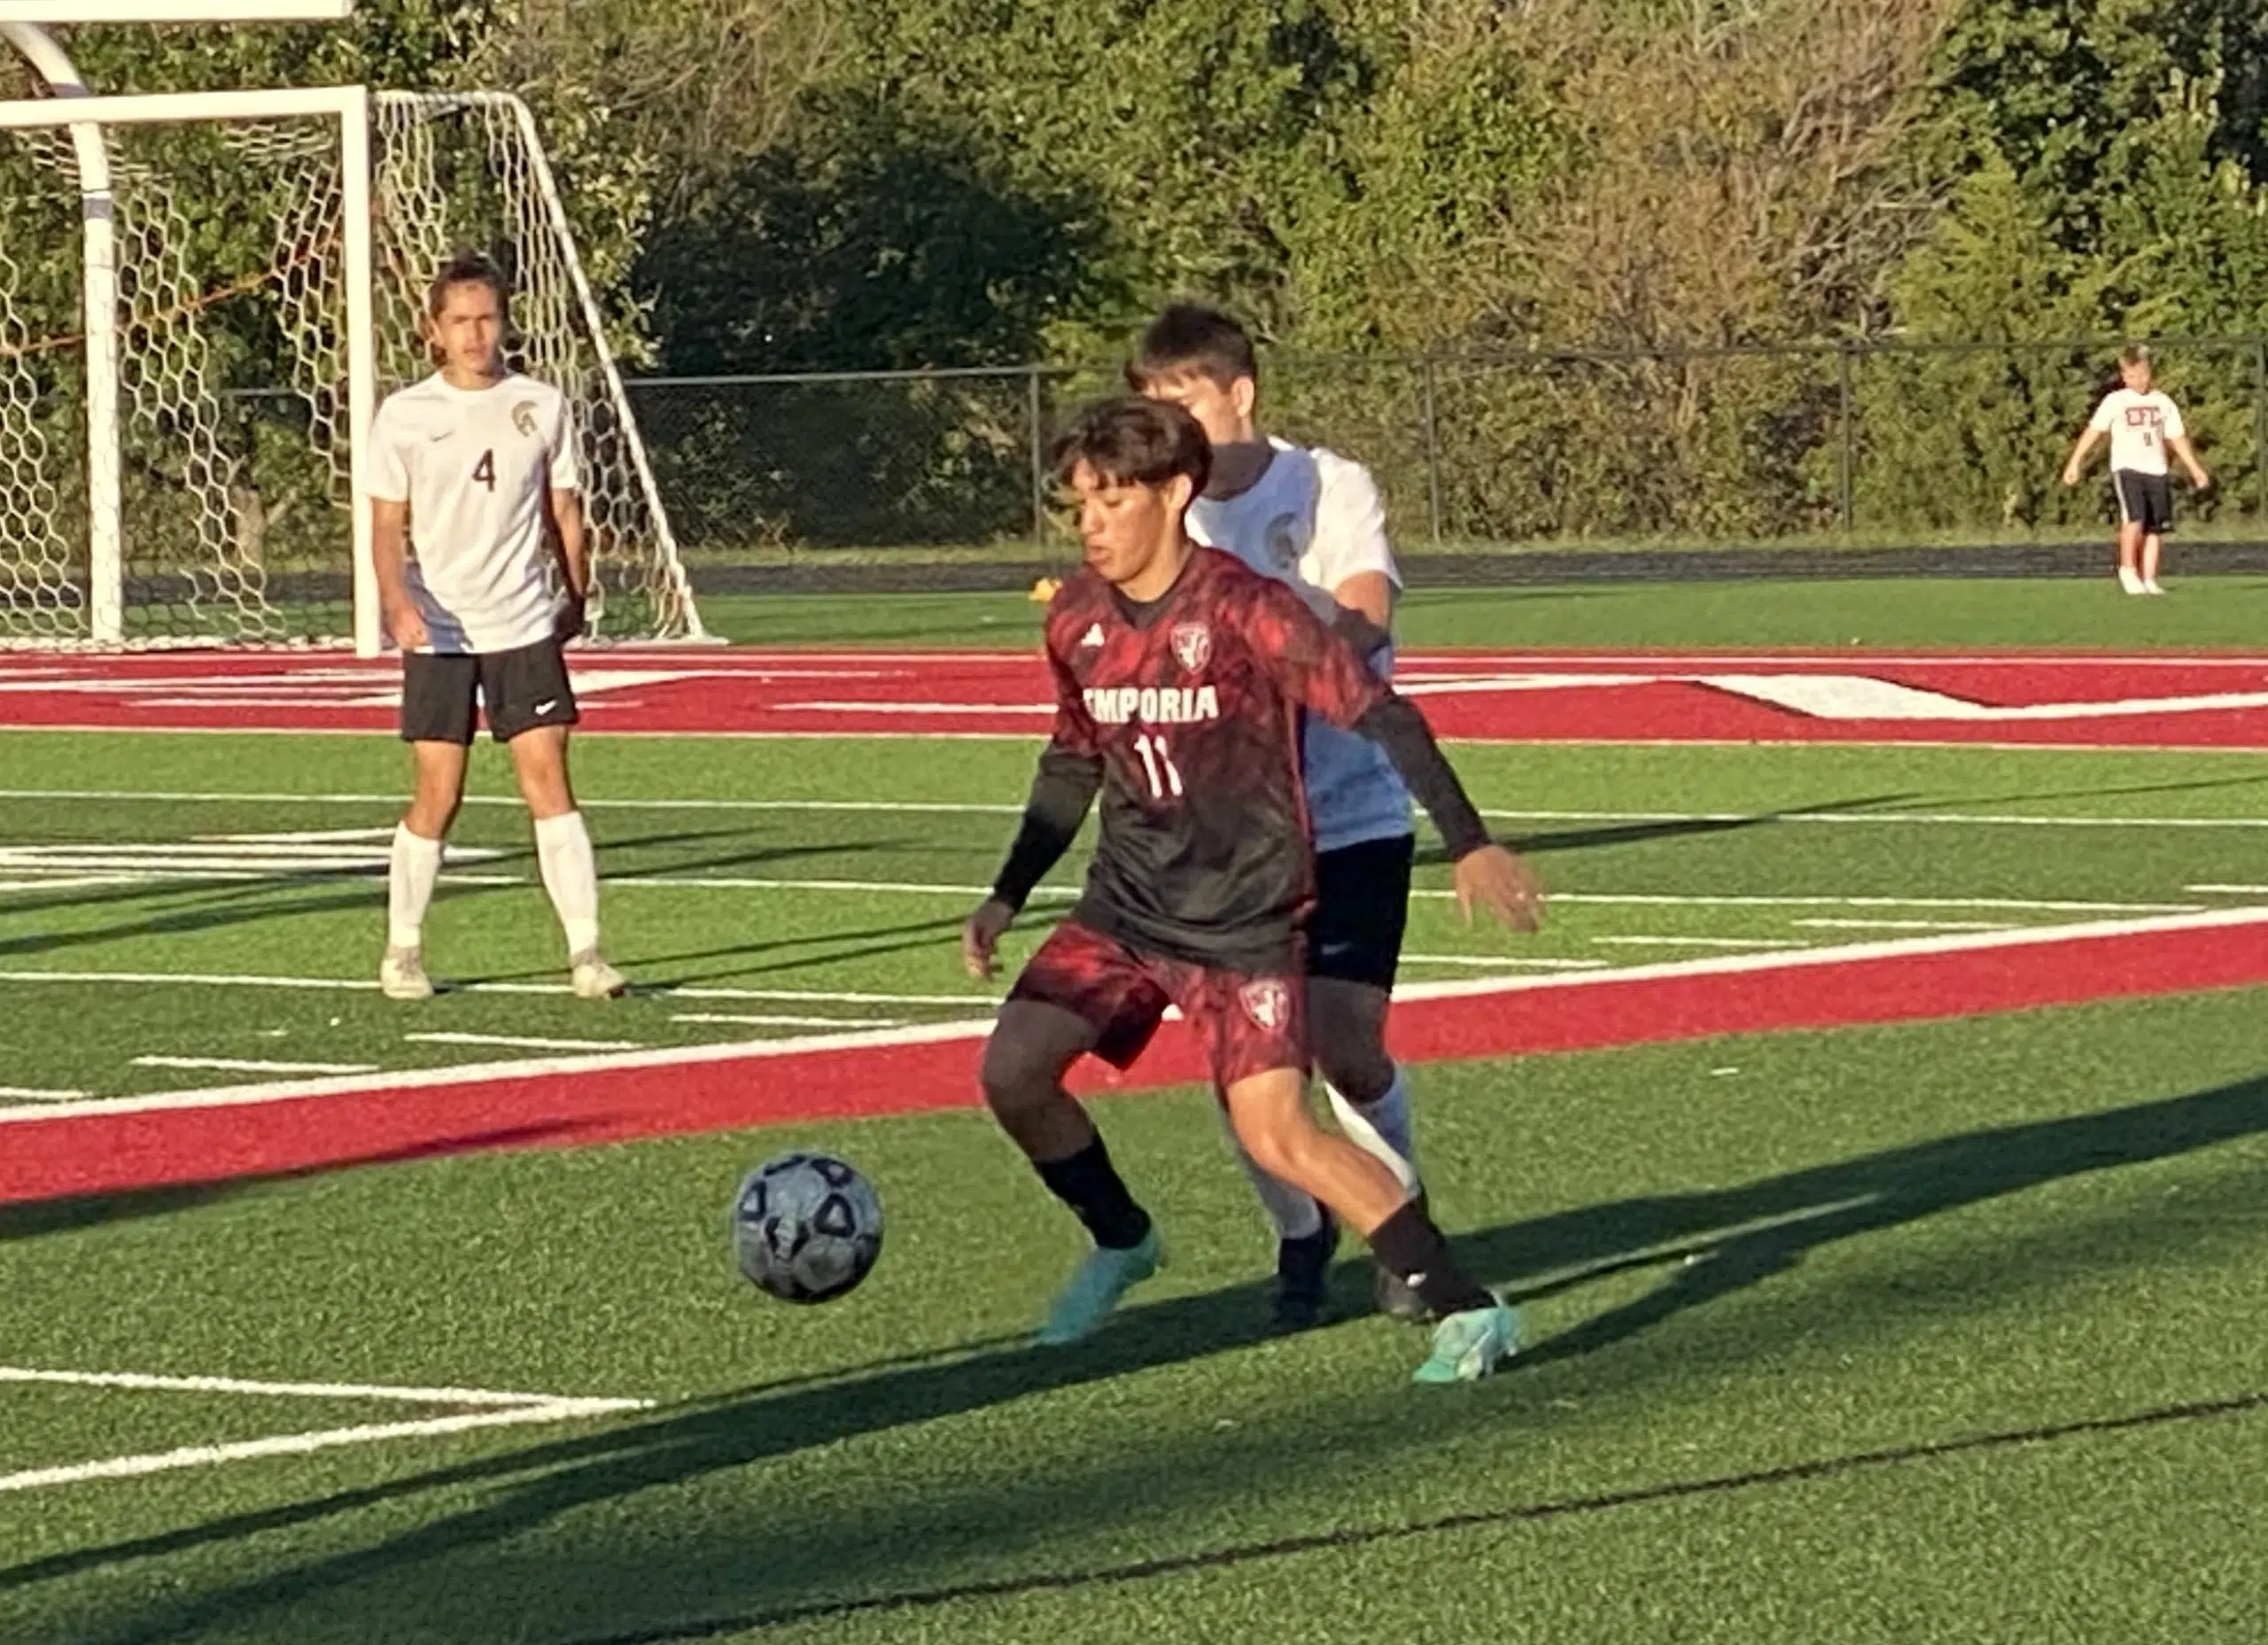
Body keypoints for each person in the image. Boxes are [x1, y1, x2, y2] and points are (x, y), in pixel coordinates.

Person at [961, 396, 1547, 1385]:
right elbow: (1072, 761)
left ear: (1175, 492)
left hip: (1241, 917)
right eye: (1079, 506)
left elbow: (1384, 717)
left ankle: (1464, 1305)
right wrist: (1006, 894)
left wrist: (1471, 843)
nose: (1091, 523)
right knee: (1012, 1073)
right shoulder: (1074, 617)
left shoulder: (1246, 609)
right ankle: (1122, 1239)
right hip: (1126, 905)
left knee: (1279, 1131)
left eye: (1110, 500)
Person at [1130, 301, 1431, 1331]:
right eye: (1152, 406)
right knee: (1249, 1062)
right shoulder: (1162, 512)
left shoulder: (1328, 484)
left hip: (1347, 810)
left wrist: (1274, 657)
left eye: (1184, 400)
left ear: (1238, 394)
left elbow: (1365, 616)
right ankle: (1302, 1236)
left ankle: (1402, 1224)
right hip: (1226, 829)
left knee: (1346, 1046)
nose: (1168, 422)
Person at [366, 250, 625, 1002]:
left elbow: (565, 509)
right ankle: (404, 950)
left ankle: (587, 953)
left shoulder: (539, 404)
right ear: (434, 331)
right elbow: (387, 525)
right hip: (442, 628)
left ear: (503, 323)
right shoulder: (406, 415)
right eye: (460, 322)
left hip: (521, 620)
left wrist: (575, 592)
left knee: (549, 779)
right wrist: (396, 601)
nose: (476, 335)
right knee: (438, 792)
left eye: (487, 319)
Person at [2062, 345, 2210, 595]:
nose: (2138, 381)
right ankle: (2128, 570)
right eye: (2131, 376)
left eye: (2142, 375)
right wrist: (2075, 461)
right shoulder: (2116, 401)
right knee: (2134, 519)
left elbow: (2176, 437)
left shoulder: (2162, 402)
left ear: (2149, 373)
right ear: (2124, 376)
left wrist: (2195, 469)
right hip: (2128, 467)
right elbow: (2094, 431)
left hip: (2157, 470)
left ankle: (2150, 579)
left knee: (2156, 527)